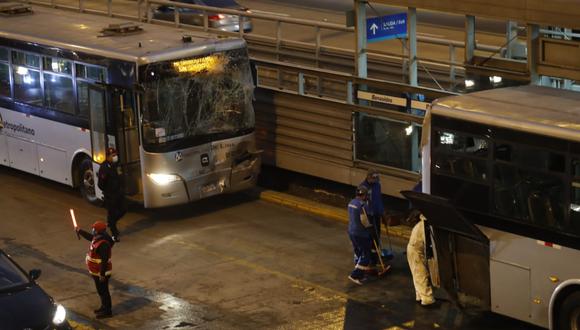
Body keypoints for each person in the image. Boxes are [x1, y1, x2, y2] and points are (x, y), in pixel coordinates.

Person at [76, 221, 115, 318]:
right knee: (100, 290)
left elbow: (104, 260)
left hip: (102, 272)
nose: (92, 230)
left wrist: (102, 274)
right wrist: (80, 231)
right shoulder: (98, 238)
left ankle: (107, 311)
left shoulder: (103, 244)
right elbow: (90, 237)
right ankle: (104, 306)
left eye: (94, 229)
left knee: (104, 291)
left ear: (98, 231)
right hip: (96, 271)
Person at [406, 210, 436, 307]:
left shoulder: (421, 224)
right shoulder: (424, 226)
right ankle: (427, 299)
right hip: (416, 251)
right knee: (421, 273)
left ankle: (419, 295)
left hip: (413, 249)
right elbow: (427, 244)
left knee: (416, 273)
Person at [347, 185, 375, 285]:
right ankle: (355, 275)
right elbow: (364, 220)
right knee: (366, 254)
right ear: (364, 195)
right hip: (361, 233)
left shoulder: (351, 203)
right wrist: (370, 228)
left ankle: (360, 272)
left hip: (351, 232)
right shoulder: (362, 205)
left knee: (358, 251)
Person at [97, 147, 125, 242]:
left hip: (119, 193)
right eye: (113, 156)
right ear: (108, 157)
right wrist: (108, 192)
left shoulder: (116, 165)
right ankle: (114, 235)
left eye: (115, 155)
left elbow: (120, 176)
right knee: (112, 214)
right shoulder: (104, 167)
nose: (115, 157)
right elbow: (100, 184)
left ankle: (111, 223)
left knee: (124, 209)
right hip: (110, 196)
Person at [360, 168, 385, 264]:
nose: (376, 180)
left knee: (377, 235)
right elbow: (359, 204)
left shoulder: (377, 186)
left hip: (376, 214)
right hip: (368, 216)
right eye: (374, 178)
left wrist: (382, 213)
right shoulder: (362, 187)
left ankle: (375, 256)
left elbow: (379, 200)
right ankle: (368, 257)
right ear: (369, 177)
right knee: (369, 236)